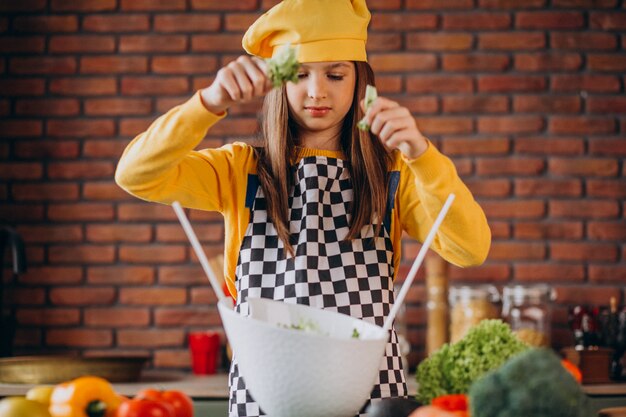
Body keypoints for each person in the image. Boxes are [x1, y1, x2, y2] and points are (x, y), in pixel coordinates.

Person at [115, 1, 491, 416]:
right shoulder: (241, 169)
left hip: (370, 395)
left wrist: (422, 155)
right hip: (267, 394)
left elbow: (470, 247)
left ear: (360, 82)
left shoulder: (393, 175)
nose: (317, 92)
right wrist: (207, 102)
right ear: (278, 82)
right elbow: (135, 174)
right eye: (299, 74)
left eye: (335, 74)